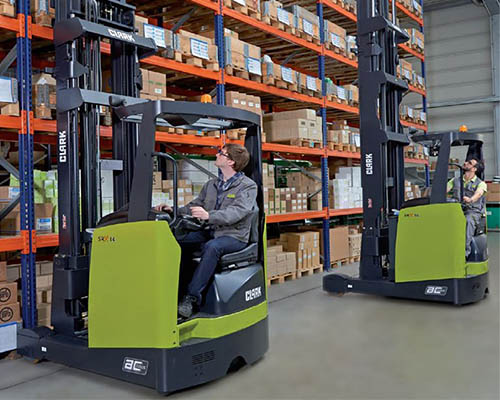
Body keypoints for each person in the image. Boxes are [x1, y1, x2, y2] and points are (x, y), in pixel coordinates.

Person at [156, 143, 257, 318]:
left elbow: (237, 212)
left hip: (234, 236)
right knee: (177, 242)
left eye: (222, 154)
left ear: (231, 161)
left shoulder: (247, 186)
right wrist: (173, 210)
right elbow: (195, 206)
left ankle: (191, 298)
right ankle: (174, 290)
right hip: (210, 231)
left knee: (212, 247)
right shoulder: (212, 184)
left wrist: (208, 216)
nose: (217, 155)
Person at [447, 157, 487, 258]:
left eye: (469, 163)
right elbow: (444, 189)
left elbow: (478, 193)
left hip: (473, 211)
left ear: (474, 169)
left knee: (468, 221)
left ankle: (464, 253)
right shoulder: (455, 180)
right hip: (456, 209)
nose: (465, 163)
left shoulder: (481, 184)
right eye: (466, 161)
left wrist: (471, 199)